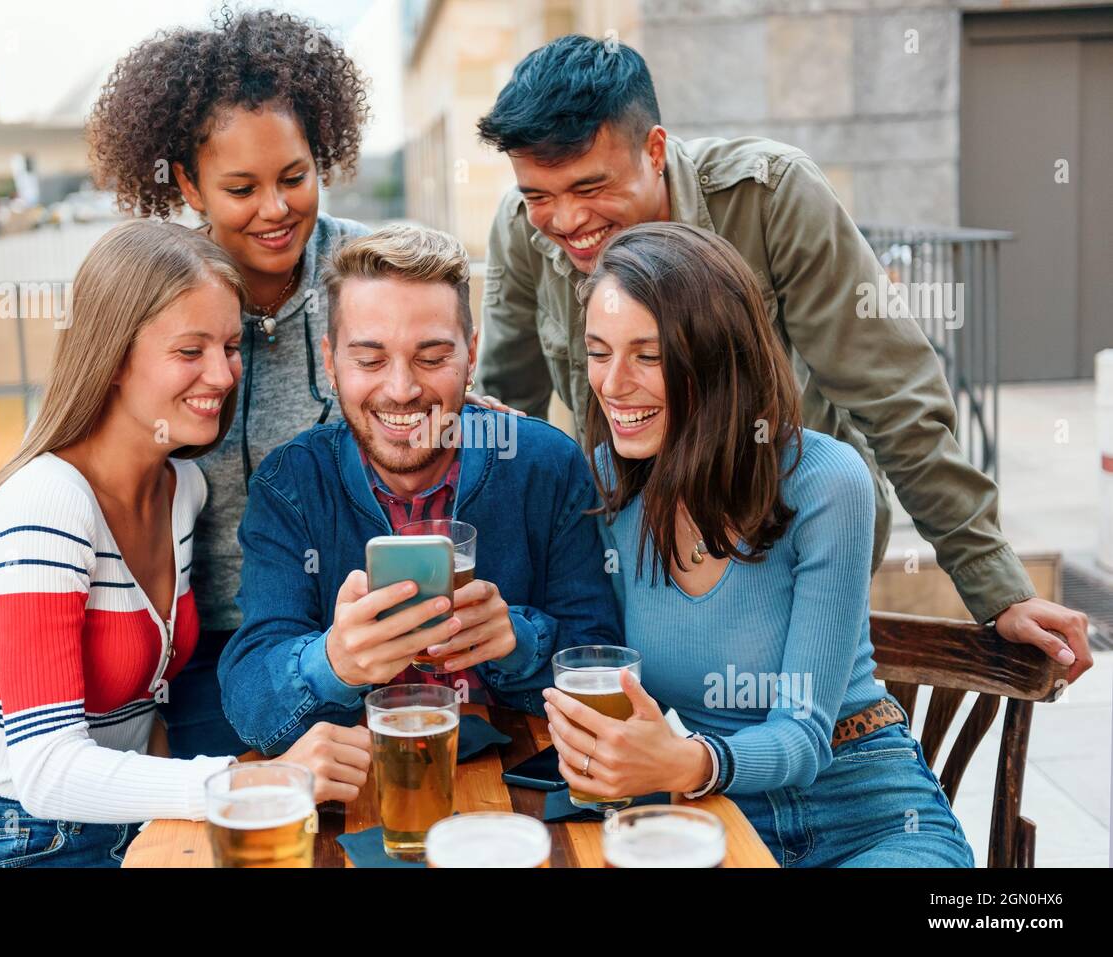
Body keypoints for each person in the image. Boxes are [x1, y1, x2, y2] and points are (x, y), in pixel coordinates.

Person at [0, 11, 510, 769]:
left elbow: (433, 390)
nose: (275, 209)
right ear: (187, 183)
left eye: (294, 177)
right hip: (212, 654)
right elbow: (66, 468)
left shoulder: (363, 277)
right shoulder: (170, 295)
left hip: (368, 634)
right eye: (241, 187)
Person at [475, 34, 1090, 683]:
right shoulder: (521, 229)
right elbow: (508, 421)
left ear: (654, 150)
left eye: (589, 185)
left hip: (783, 540)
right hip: (633, 555)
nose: (566, 220)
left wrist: (997, 585)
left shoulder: (772, 196)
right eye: (538, 194)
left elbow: (895, 394)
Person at [0, 221, 369, 868]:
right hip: (14, 839)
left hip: (127, 830)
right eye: (190, 351)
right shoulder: (47, 502)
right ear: (112, 358)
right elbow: (46, 771)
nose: (221, 374)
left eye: (230, 344)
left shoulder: (181, 488)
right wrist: (246, 783)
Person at [542, 221, 975, 867]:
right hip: (710, 814)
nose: (613, 382)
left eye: (649, 355)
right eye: (599, 351)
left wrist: (682, 760)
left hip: (865, 805)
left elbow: (802, 736)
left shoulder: (827, 483)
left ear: (718, 359)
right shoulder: (607, 486)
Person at [217, 224, 621, 753]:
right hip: (361, 791)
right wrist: (334, 660)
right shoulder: (290, 485)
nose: (402, 390)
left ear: (471, 355)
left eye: (432, 358)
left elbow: (603, 663)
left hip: (524, 789)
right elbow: (249, 705)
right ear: (330, 362)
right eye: (369, 360)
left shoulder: (545, 466)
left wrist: (517, 643)